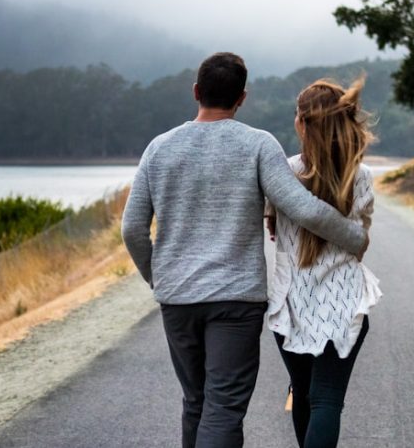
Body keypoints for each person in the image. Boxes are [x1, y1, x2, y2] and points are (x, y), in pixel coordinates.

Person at [121, 53, 369, 448]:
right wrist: (356, 238)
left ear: (197, 92)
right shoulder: (258, 145)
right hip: (236, 302)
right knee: (223, 407)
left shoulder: (158, 148)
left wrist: (158, 276)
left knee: (195, 402)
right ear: (242, 98)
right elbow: (302, 207)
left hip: (177, 300)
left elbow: (132, 228)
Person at [265, 76, 382, 448]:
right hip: (344, 303)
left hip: (291, 305)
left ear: (301, 123)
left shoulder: (282, 172)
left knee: (302, 394)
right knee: (327, 399)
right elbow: (360, 240)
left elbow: (271, 229)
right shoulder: (359, 176)